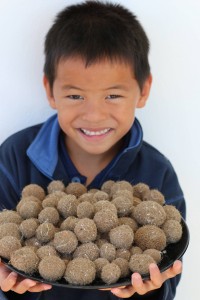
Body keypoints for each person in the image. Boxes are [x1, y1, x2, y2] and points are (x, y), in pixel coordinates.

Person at [0, 1, 186, 300]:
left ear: (144, 90)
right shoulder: (14, 156)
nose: (94, 115)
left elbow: (167, 274)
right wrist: (10, 287)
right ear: (50, 90)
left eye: (113, 95)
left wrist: (148, 292)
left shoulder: (157, 172)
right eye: (75, 95)